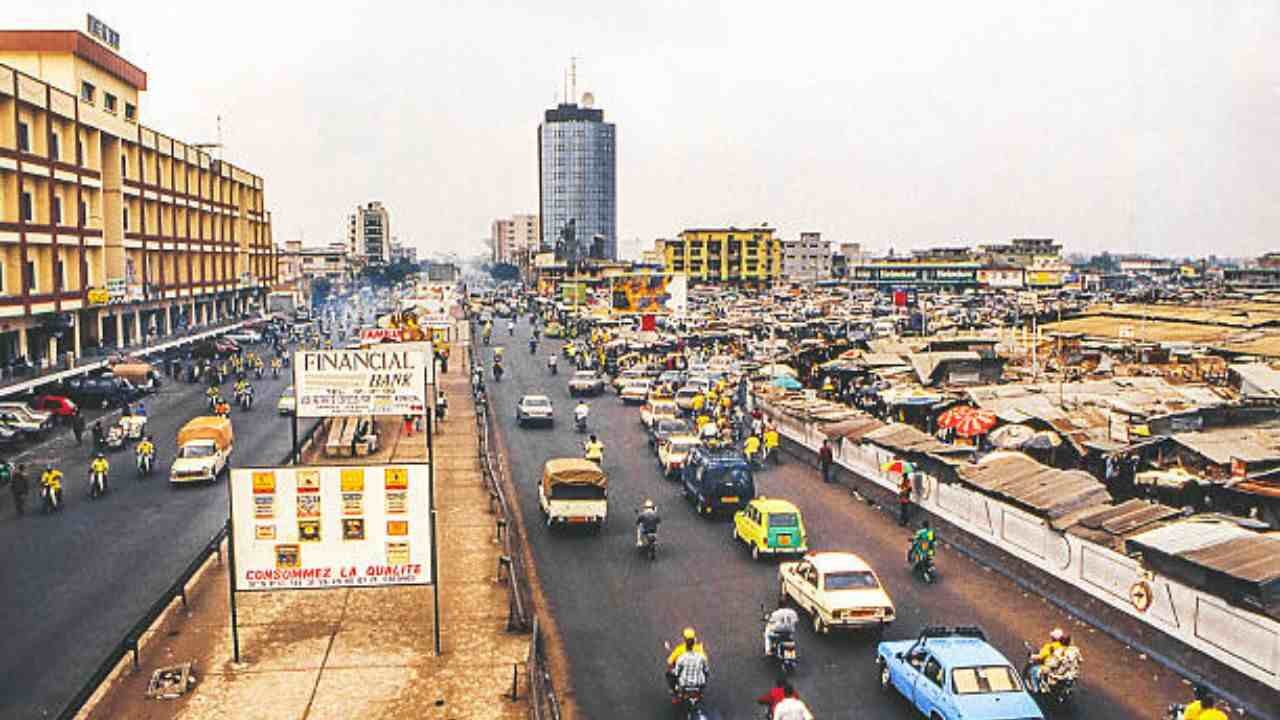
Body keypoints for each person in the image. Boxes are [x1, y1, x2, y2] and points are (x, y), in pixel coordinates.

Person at [1027, 628, 1066, 692]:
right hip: (1060, 668)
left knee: (1033, 671)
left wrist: (1032, 656)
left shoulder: (1049, 646)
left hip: (1049, 668)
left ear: (1053, 638)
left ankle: (1035, 689)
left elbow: (1040, 656)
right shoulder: (1063, 647)